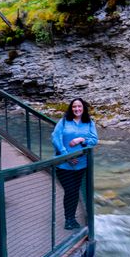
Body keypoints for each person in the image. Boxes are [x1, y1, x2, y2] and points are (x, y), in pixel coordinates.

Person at [51, 98, 98, 230]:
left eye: (79, 107)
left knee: (75, 191)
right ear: (71, 108)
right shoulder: (64, 121)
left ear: (83, 108)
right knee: (70, 190)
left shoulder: (89, 123)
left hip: (81, 164)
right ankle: (69, 219)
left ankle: (71, 218)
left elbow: (94, 140)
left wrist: (82, 139)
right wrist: (67, 155)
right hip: (63, 164)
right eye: (74, 107)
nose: (77, 109)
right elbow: (55, 138)